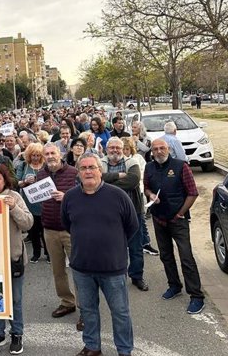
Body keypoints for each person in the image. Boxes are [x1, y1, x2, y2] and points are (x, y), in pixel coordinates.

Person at [62, 152, 138, 356]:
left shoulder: (118, 195)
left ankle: (124, 350)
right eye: (83, 168)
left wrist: (114, 247)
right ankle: (92, 347)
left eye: (92, 167)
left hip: (113, 268)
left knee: (120, 313)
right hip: (82, 268)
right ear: (78, 173)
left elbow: (132, 226)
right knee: (88, 312)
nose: (88, 171)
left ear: (100, 171)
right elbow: (68, 225)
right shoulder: (70, 197)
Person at [144, 139, 205, 315]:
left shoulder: (180, 166)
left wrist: (180, 213)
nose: (159, 151)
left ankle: (196, 296)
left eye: (162, 148)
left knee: (186, 257)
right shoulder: (149, 168)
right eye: (155, 149)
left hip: (178, 220)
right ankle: (174, 286)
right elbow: (146, 188)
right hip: (159, 218)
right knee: (166, 255)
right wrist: (151, 195)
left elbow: (193, 193)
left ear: (168, 149)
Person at [0, 164, 33, 355]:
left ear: (5, 181)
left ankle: (16, 334)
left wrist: (13, 208)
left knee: (15, 300)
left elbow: (28, 222)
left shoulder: (15, 197)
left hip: (13, 258)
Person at [38, 144, 80, 324]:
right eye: (46, 154)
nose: (50, 156)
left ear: (60, 154)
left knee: (79, 271)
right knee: (58, 271)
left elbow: (85, 196)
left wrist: (66, 197)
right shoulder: (41, 175)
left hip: (71, 230)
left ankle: (86, 308)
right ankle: (67, 301)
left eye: (53, 153)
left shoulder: (73, 172)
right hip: (49, 229)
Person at [100, 137, 148, 292]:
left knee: (136, 247)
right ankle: (113, 276)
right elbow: (96, 179)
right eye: (112, 147)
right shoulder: (100, 163)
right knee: (111, 247)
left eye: (118, 148)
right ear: (107, 149)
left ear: (122, 149)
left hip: (133, 210)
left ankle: (137, 277)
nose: (115, 150)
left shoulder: (131, 162)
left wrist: (107, 184)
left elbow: (133, 180)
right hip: (108, 213)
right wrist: (119, 175)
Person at [121, 137, 158, 257]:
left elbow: (139, 176)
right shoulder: (118, 161)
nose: (124, 151)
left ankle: (145, 243)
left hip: (138, 192)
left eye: (126, 149)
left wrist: (128, 177)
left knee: (140, 218)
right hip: (123, 194)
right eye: (123, 149)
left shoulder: (138, 159)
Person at [15, 142, 49, 263]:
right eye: (33, 155)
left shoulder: (46, 166)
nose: (35, 158)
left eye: (38, 155)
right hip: (29, 203)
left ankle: (48, 253)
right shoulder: (24, 165)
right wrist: (25, 181)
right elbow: (16, 182)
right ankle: (36, 253)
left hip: (45, 204)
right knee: (33, 230)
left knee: (45, 230)